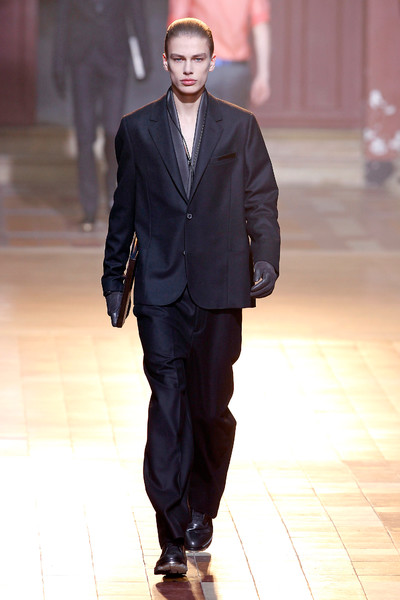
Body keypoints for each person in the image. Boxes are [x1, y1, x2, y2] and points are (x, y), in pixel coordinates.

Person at [102, 18, 280, 575]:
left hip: (220, 286)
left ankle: (203, 504)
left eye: (197, 59)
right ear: (165, 62)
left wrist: (266, 258)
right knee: (168, 405)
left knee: (210, 409)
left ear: (211, 62)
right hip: (159, 289)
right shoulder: (136, 129)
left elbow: (260, 199)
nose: (187, 68)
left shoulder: (239, 127)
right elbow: (124, 209)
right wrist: (113, 278)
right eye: (178, 59)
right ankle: (172, 534)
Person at [52, 0, 151, 231]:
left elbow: (137, 15)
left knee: (114, 131)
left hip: (115, 56)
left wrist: (145, 59)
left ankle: (114, 194)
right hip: (81, 59)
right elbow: (62, 19)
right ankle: (88, 208)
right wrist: (58, 65)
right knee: (84, 134)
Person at [168, 0, 271, 108]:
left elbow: (176, 26)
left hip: (202, 68)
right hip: (237, 71)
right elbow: (260, 26)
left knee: (199, 118)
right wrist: (263, 75)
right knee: (235, 117)